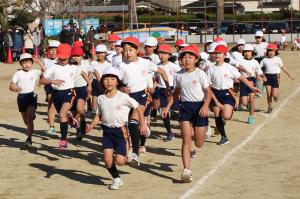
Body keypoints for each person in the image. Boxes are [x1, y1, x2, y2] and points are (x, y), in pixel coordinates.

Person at [86, 67, 147, 190]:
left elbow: (139, 108)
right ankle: (116, 179)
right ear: (102, 81)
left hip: (121, 132)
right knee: (107, 161)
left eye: (112, 79)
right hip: (107, 132)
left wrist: (142, 124)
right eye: (106, 79)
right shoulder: (101, 98)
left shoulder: (123, 96)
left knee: (120, 162)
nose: (109, 81)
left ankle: (127, 153)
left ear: (117, 82)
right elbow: (99, 115)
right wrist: (92, 124)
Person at [163, 45, 212, 183]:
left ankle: (206, 130)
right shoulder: (178, 75)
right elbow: (176, 93)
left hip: (199, 107)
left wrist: (206, 105)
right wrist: (167, 107)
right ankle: (186, 170)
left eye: (190, 57)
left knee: (199, 143)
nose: (186, 60)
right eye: (184, 57)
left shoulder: (201, 74)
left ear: (196, 59)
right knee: (186, 140)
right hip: (185, 107)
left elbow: (208, 92)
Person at [118, 36, 170, 166]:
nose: (128, 53)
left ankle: (135, 154)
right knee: (125, 125)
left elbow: (162, 72)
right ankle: (142, 131)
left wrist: (168, 87)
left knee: (133, 124)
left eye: (130, 50)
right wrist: (121, 88)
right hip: (126, 98)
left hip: (142, 96)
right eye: (125, 50)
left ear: (137, 50)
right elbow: (114, 82)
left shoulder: (145, 63)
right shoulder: (121, 65)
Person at [207, 44, 261, 145]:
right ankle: (224, 137)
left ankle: (227, 114)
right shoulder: (211, 69)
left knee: (226, 116)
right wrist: (214, 100)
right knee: (217, 114)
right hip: (215, 94)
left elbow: (241, 78)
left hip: (227, 93)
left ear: (224, 55)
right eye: (215, 53)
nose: (217, 55)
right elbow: (208, 87)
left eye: (220, 53)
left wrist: (252, 87)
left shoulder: (229, 67)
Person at [39, 44, 77, 150]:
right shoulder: (53, 67)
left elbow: (83, 73)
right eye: (60, 57)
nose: (62, 60)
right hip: (56, 94)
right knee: (63, 116)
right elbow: (41, 80)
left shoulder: (73, 67)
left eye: (65, 58)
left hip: (69, 93)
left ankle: (63, 140)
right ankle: (70, 119)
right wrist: (52, 81)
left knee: (61, 114)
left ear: (69, 56)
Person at [9, 53, 42, 150]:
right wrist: (15, 89)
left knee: (29, 118)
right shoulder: (18, 74)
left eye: (28, 62)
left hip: (31, 96)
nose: (26, 64)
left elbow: (46, 71)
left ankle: (29, 138)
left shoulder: (35, 72)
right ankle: (31, 117)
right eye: (24, 62)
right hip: (21, 98)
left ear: (32, 63)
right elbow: (11, 85)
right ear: (20, 64)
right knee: (26, 121)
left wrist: (39, 61)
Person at [155, 44, 181, 142]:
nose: (161, 55)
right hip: (161, 90)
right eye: (160, 53)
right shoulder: (156, 67)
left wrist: (177, 91)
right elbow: (156, 80)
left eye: (164, 54)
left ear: (169, 55)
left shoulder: (174, 67)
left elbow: (180, 78)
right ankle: (169, 132)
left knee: (177, 111)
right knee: (163, 113)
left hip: (172, 90)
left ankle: (183, 128)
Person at [260, 43, 294, 113]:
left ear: (275, 51)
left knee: (274, 96)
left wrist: (289, 75)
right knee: (269, 94)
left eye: (273, 51)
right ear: (267, 52)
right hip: (267, 77)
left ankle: (276, 97)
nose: (271, 53)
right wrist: (262, 76)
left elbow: (283, 68)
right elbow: (259, 69)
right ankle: (270, 107)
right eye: (269, 51)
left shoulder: (278, 59)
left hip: (276, 77)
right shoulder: (264, 60)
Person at [35, 40, 60, 135]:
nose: (53, 51)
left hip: (59, 85)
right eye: (51, 49)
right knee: (51, 103)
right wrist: (40, 81)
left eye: (55, 49)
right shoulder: (46, 60)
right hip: (49, 85)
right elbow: (44, 72)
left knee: (59, 105)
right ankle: (52, 126)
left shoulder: (61, 61)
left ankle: (66, 116)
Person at [237, 44, 266, 124]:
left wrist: (263, 76)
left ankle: (251, 116)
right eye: (245, 51)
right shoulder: (240, 61)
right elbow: (236, 70)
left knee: (252, 99)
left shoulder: (255, 62)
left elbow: (259, 71)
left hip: (252, 81)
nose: (247, 53)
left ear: (252, 52)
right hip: (243, 81)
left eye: (249, 51)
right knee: (244, 103)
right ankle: (248, 103)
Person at [69, 46, 92, 140]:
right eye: (73, 56)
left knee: (79, 108)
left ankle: (83, 120)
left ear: (82, 56)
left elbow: (88, 72)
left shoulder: (86, 63)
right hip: (72, 90)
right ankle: (79, 128)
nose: (75, 58)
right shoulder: (69, 66)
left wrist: (89, 84)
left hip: (82, 89)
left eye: (78, 56)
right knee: (74, 113)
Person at [90, 44, 112, 112]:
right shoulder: (93, 63)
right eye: (98, 53)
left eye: (102, 53)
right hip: (95, 85)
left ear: (105, 53)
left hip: (104, 86)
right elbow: (89, 74)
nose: (100, 55)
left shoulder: (109, 65)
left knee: (104, 105)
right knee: (94, 108)